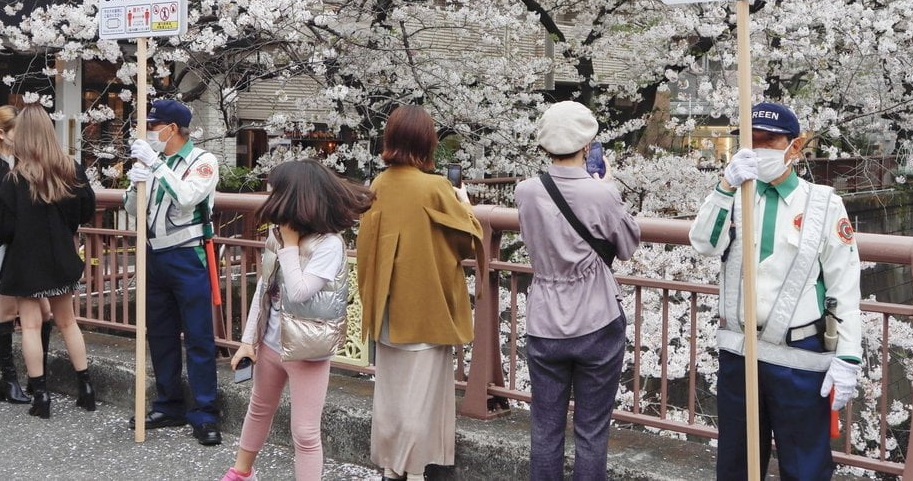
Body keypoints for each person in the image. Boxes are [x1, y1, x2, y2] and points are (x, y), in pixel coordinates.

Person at [688, 102, 862, 480]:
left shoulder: (823, 204)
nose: (757, 150)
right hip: (739, 352)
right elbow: (703, 242)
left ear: (794, 147)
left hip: (798, 357)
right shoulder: (733, 195)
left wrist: (848, 356)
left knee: (805, 467)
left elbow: (844, 283)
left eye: (768, 142)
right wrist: (724, 185)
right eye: (750, 142)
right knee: (736, 463)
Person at [221, 160, 373, 481]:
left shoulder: (329, 245)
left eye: (274, 189)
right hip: (271, 343)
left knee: (305, 433)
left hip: (307, 349)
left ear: (294, 196)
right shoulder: (277, 238)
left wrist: (290, 246)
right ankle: (241, 473)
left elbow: (301, 291)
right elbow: (265, 289)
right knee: (258, 408)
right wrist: (248, 341)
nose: (268, 194)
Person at [355, 104, 484, 481]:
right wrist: (465, 204)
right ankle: (412, 469)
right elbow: (467, 241)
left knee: (392, 394)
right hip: (425, 306)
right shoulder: (435, 187)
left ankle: (392, 466)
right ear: (428, 143)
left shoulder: (379, 184)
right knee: (421, 396)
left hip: (386, 305)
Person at [514, 101, 641, 480]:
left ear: (545, 146)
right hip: (596, 319)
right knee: (591, 430)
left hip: (545, 321)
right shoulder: (601, 194)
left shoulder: (525, 191)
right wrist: (607, 191)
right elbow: (628, 245)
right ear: (587, 146)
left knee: (545, 428)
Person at [0, 105, 97, 418]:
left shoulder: (14, 180)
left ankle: (42, 397)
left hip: (26, 263)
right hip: (61, 256)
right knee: (68, 322)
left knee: (31, 327)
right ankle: (86, 388)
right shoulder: (71, 169)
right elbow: (85, 209)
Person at [124, 98, 222, 445]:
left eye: (154, 126)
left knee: (199, 338)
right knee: (160, 335)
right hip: (154, 257)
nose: (150, 132)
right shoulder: (153, 161)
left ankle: (206, 413)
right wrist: (135, 181)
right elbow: (134, 210)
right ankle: (169, 404)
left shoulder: (203, 161)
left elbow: (186, 197)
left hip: (189, 256)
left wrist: (155, 166)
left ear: (173, 129)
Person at [0, 106, 54, 403]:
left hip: (31, 246)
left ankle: (34, 377)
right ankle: (10, 378)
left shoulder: (27, 161)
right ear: (2, 134)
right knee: (6, 311)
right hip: (6, 246)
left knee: (44, 312)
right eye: (19, 131)